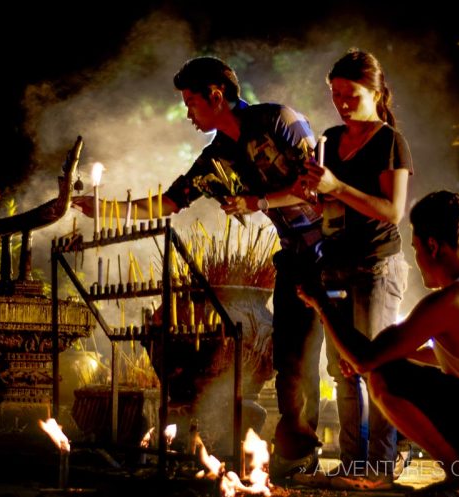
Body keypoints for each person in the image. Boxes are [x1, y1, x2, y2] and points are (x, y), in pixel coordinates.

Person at [73, 56, 325, 479]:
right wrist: (106, 210)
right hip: (294, 258)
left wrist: (255, 202)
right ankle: (296, 456)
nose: (188, 113)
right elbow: (169, 203)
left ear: (216, 95)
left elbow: (315, 185)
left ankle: (366, 459)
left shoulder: (278, 120)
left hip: (335, 251)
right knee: (290, 362)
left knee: (342, 361)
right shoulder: (217, 158)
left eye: (191, 102)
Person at [297, 191, 459, 497]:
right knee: (390, 364)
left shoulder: (451, 300)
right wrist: (390, 354)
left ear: (432, 246)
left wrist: (321, 303)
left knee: (384, 377)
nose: (416, 258)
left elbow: (364, 360)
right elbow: (454, 357)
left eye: (414, 248)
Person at [303, 49, 413, 490]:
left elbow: (393, 211)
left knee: (376, 367)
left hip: (376, 265)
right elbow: (329, 201)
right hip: (335, 264)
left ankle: (381, 468)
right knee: (343, 369)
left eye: (350, 94)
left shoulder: (389, 141)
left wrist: (337, 186)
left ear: (375, 91)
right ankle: (352, 465)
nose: (342, 103)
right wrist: (316, 194)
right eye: (335, 94)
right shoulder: (330, 137)